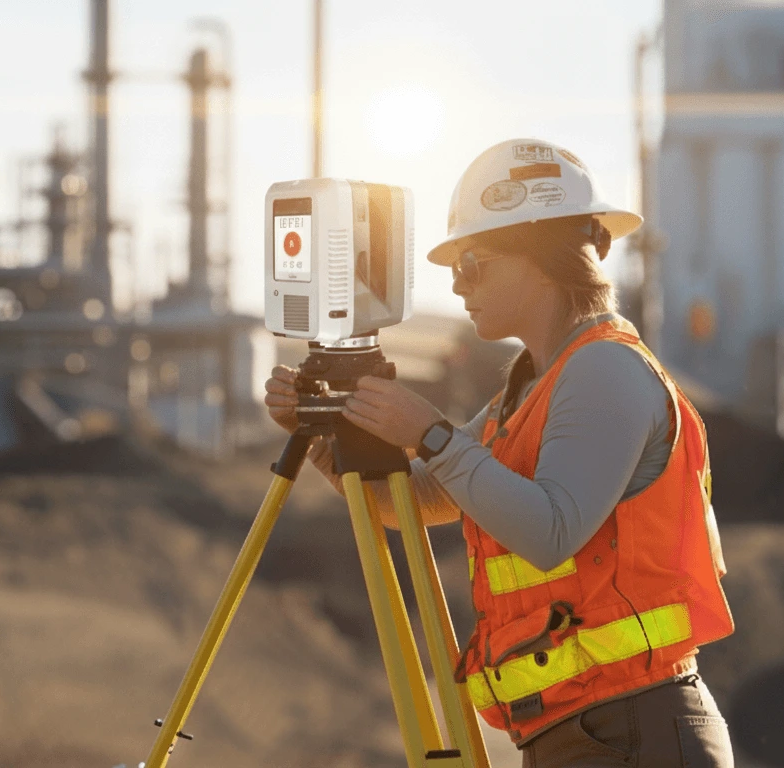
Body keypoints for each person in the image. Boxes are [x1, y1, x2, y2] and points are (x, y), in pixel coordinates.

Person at [264, 139, 735, 768]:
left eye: (475, 262)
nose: (458, 284)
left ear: (543, 258)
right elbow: (419, 502)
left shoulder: (604, 371)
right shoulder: (531, 384)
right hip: (584, 729)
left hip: (635, 727)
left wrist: (432, 435)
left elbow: (550, 530)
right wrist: (328, 442)